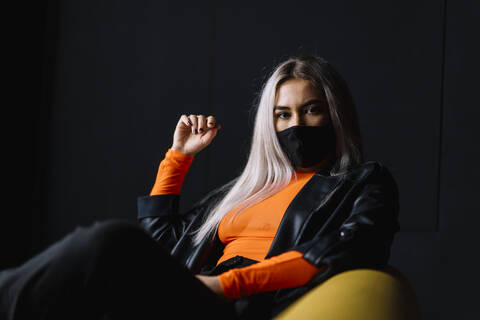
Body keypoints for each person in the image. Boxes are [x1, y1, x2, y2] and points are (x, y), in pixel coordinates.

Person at [0, 55, 400, 320]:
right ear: (269, 123)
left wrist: (227, 284)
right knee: (104, 263)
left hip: (242, 303)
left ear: (335, 113)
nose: (295, 124)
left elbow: (352, 248)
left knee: (109, 241)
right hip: (192, 292)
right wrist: (178, 156)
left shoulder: (364, 183)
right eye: (282, 114)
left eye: (311, 109)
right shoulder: (247, 191)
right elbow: (161, 244)